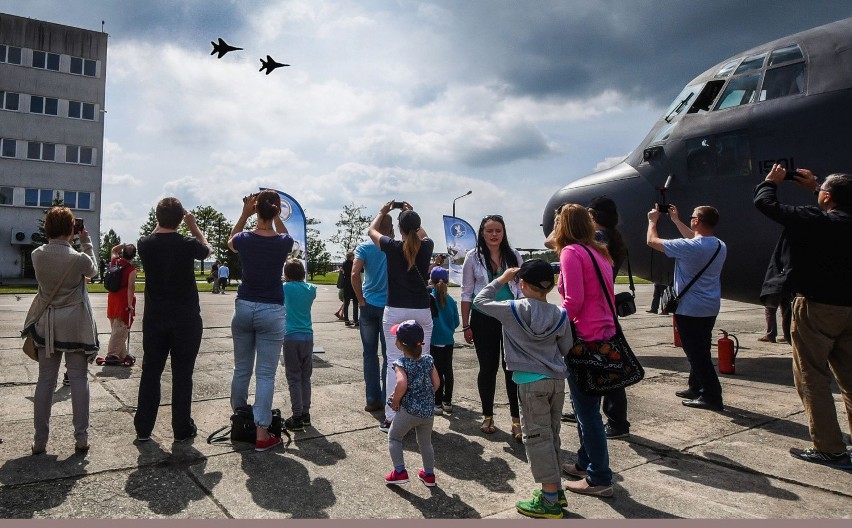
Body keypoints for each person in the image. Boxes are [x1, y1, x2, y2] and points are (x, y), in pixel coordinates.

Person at [754, 165, 852, 469]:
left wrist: (770, 182)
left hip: (817, 308)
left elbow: (765, 204)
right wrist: (817, 187)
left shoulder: (815, 220)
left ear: (828, 197)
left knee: (812, 376)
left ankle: (830, 448)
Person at [474, 259, 573, 519]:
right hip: (556, 382)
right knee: (551, 434)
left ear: (522, 284)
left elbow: (479, 302)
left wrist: (502, 279)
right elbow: (566, 348)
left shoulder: (513, 308)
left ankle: (549, 500)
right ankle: (556, 489)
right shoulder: (560, 313)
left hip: (530, 384)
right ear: (550, 288)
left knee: (537, 438)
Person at [135, 198, 212, 443]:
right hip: (185, 318)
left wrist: (165, 222)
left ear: (157, 218)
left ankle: (144, 427)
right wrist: (193, 225)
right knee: (182, 374)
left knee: (151, 372)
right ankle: (181, 427)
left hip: (155, 319)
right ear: (180, 219)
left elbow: (153, 235)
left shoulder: (144, 244)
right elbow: (207, 250)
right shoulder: (188, 243)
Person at [551, 204, 615, 498]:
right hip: (605, 336)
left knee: (586, 412)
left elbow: (573, 301)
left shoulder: (571, 253)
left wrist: (552, 327)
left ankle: (599, 477)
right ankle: (584, 462)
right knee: (589, 406)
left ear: (563, 226)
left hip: (584, 340)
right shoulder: (599, 251)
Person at [23, 206, 99, 454]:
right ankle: (81, 437)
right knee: (78, 378)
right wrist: (85, 242)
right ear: (71, 230)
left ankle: (40, 440)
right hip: (75, 325)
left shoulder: (36, 255)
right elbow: (93, 272)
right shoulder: (79, 258)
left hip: (48, 324)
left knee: (45, 380)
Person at [228, 190, 294, 452]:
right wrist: (275, 215)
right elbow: (286, 235)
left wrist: (245, 213)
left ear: (257, 210)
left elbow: (230, 242)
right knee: (265, 373)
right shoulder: (282, 242)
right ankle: (262, 431)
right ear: (276, 211)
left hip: (244, 306)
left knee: (241, 369)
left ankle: (239, 418)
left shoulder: (244, 239)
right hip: (271, 309)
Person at [647, 203, 727, 411]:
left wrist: (652, 221)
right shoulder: (719, 245)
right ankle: (696, 386)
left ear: (697, 221)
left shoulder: (690, 247)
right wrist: (676, 220)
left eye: (693, 217)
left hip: (690, 308)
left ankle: (712, 396)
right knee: (702, 348)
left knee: (695, 353)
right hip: (710, 306)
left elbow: (652, 241)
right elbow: (695, 237)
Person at [368, 201, 434, 433]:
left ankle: (391, 418)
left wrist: (382, 212)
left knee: (394, 364)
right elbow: (421, 233)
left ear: (400, 228)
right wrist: (410, 212)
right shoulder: (427, 246)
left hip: (396, 309)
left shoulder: (392, 246)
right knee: (423, 362)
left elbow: (371, 231)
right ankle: (421, 412)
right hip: (421, 310)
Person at [460, 214, 524, 440]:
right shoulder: (473, 257)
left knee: (512, 368)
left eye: (498, 230)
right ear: (482, 233)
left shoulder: (514, 255)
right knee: (487, 368)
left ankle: (517, 420)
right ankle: (488, 415)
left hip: (510, 317)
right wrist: (466, 324)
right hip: (483, 318)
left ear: (504, 232)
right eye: (489, 231)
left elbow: (523, 288)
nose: (494, 234)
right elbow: (467, 292)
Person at [587, 197, 631, 439]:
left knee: (607, 366)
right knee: (596, 364)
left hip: (596, 311)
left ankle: (617, 421)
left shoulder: (599, 238)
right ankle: (588, 407)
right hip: (602, 309)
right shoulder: (612, 236)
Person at [384, 320, 440, 487]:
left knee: (394, 437)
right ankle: (429, 474)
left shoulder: (401, 363)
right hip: (427, 412)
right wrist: (426, 398)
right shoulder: (428, 360)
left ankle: (399, 472)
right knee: (425, 442)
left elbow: (401, 384)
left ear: (401, 344)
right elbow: (436, 383)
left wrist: (395, 402)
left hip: (408, 411)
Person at [353, 214, 394, 413]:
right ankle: (388, 399)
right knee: (389, 356)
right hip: (388, 306)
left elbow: (354, 274)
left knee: (369, 354)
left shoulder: (364, 247)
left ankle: (372, 399)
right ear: (391, 228)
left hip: (368, 304)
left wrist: (360, 300)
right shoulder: (393, 246)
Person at [281, 258, 317, 432]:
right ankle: (305, 413)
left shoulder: (285, 288)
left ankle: (296, 416)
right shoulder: (311, 289)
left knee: (293, 377)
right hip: (307, 336)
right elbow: (309, 286)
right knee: (305, 377)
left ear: (286, 274)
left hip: (290, 335)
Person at [98, 243, 137, 366]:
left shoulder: (115, 261)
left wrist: (123, 245)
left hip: (112, 299)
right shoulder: (131, 269)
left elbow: (114, 249)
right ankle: (112, 354)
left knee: (116, 328)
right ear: (134, 256)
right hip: (123, 301)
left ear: (123, 253)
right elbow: (131, 287)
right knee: (121, 329)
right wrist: (130, 304)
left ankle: (122, 354)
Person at [429, 266, 459, 416]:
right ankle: (448, 402)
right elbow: (456, 322)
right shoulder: (451, 300)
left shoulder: (430, 298)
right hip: (448, 340)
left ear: (432, 281)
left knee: (436, 373)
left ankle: (437, 403)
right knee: (448, 371)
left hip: (433, 341)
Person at [341, 251, 359, 327]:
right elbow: (360, 270)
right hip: (353, 284)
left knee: (346, 303)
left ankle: (346, 320)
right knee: (355, 303)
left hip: (346, 284)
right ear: (351, 257)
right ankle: (355, 320)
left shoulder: (344, 264)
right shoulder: (354, 264)